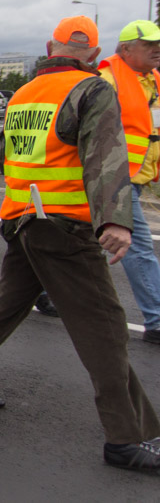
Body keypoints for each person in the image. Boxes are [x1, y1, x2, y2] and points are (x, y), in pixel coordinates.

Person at [0, 15, 160, 473]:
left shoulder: (21, 95)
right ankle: (125, 437)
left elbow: (5, 154)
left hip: (21, 218)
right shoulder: (92, 89)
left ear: (49, 47)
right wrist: (115, 222)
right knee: (104, 326)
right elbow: (105, 154)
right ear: (95, 56)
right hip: (63, 226)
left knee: (8, 304)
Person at [96, 19, 160, 345]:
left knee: (80, 240)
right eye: (149, 44)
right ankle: (157, 320)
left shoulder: (153, 81)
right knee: (138, 247)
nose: (157, 48)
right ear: (126, 49)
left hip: (139, 176)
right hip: (115, 178)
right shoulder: (108, 80)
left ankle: (45, 289)